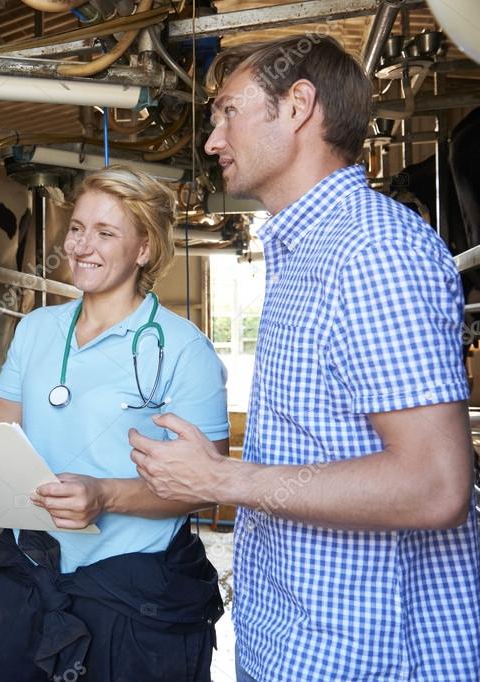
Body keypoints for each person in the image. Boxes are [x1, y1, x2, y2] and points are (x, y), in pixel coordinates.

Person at [130, 34, 480, 682]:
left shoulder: (373, 252)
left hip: (368, 661)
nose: (211, 141)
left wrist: (221, 481)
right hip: (298, 647)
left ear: (296, 107)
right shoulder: (304, 255)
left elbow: (435, 485)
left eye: (226, 112)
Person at [0, 166, 230, 681]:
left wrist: (106, 495)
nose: (82, 246)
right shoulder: (37, 329)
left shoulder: (184, 349)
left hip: (132, 590)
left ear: (144, 248)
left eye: (106, 233)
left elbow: (207, 486)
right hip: (35, 568)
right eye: (77, 228)